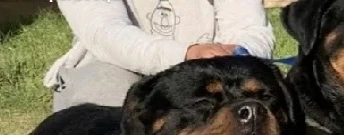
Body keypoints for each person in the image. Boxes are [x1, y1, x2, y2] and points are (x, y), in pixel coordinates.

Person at [44, 0, 275, 111]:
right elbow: (104, 33)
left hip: (210, 72)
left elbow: (251, 28)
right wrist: (186, 54)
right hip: (111, 68)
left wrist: (240, 52)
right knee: (108, 92)